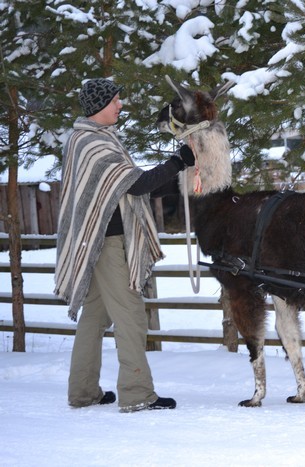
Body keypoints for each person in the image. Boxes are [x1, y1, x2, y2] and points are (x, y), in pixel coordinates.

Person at [54, 78, 194, 412]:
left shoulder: (92, 139)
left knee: (94, 318)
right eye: (116, 100)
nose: (120, 105)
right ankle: (137, 393)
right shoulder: (91, 143)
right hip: (108, 242)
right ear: (100, 105)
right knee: (131, 315)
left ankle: (83, 392)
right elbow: (137, 184)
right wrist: (178, 161)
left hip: (97, 242)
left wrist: (177, 170)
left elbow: (129, 188)